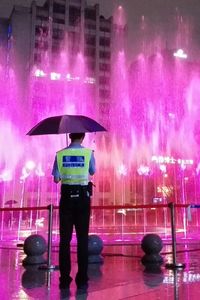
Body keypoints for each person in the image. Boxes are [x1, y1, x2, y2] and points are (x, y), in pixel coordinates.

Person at [52, 132, 95, 291]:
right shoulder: (88, 153)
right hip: (83, 199)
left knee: (65, 240)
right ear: (83, 137)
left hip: (67, 199)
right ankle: (82, 278)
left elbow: (56, 179)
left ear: (69, 136)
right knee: (82, 239)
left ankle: (64, 278)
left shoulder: (60, 154)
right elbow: (92, 171)